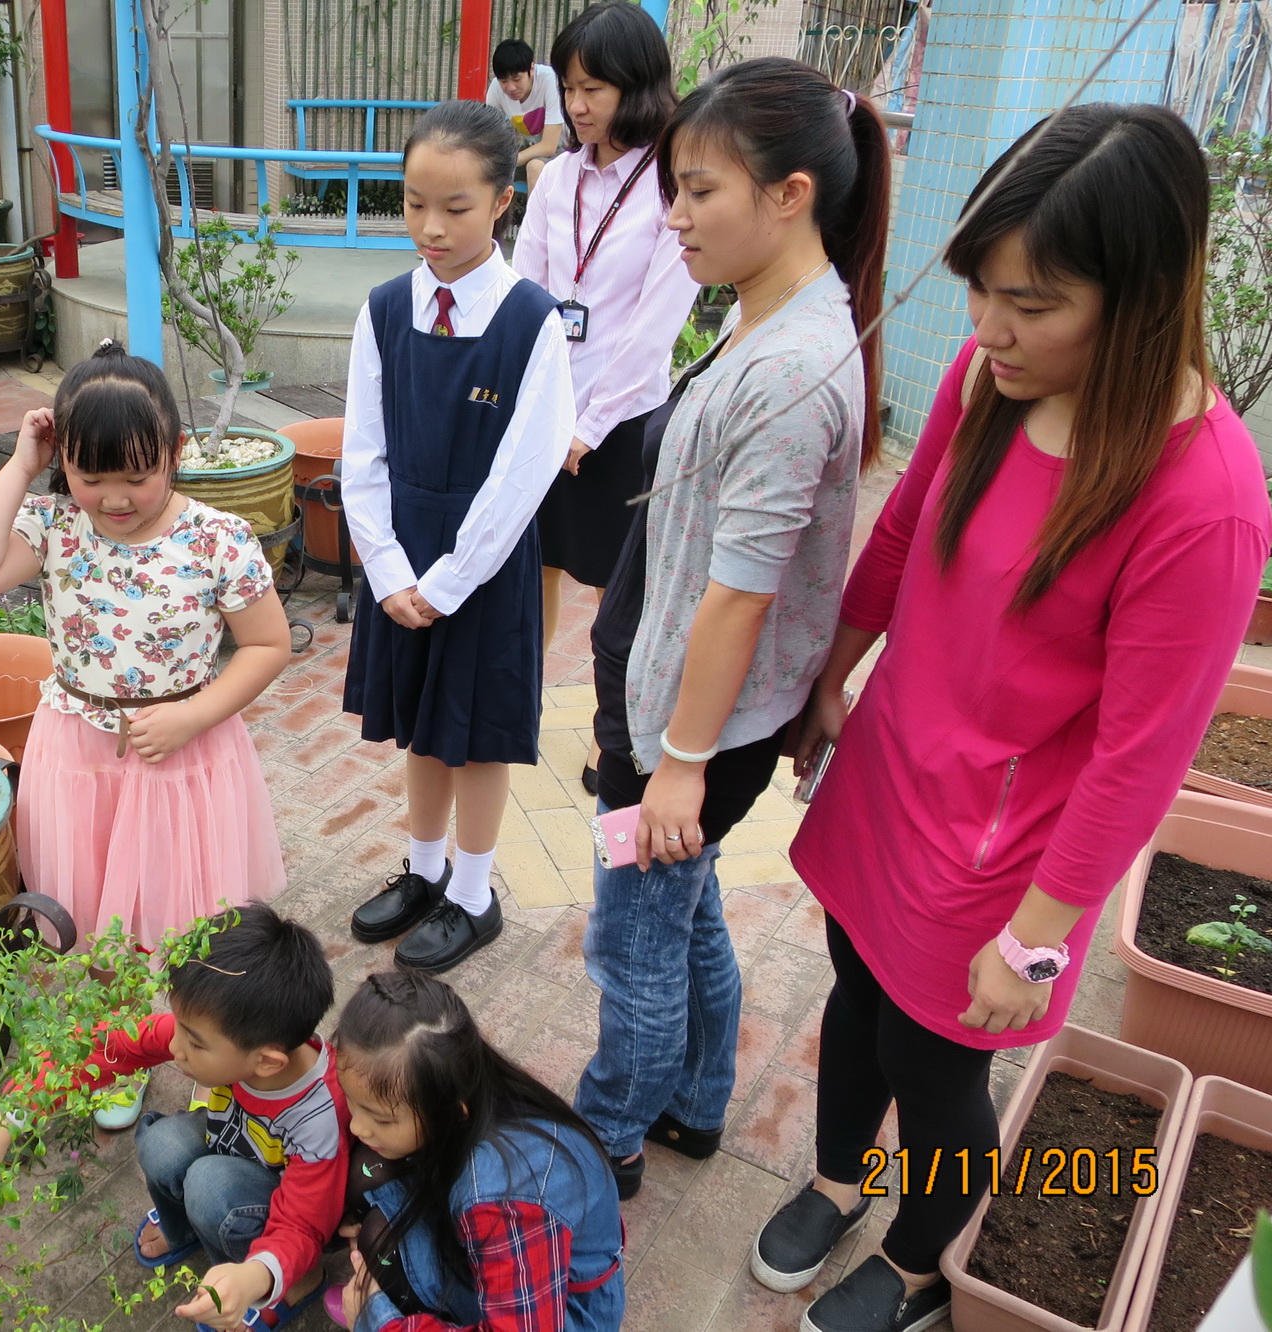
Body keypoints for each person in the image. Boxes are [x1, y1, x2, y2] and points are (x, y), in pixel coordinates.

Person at [752, 103, 1269, 1332]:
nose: (987, 329)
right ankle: (836, 1177)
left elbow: (1141, 757)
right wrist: (831, 679)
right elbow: (897, 534)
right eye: (980, 290)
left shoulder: (1202, 499)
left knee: (933, 1061)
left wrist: (1036, 937)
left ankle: (921, 1259)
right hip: (892, 769)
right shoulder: (990, 380)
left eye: (1029, 304)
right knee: (854, 990)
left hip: (999, 852)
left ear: (1139, 297)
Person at [573, 56, 891, 1206]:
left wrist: (677, 763)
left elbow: (741, 593)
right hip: (686, 709)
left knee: (632, 944)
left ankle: (605, 1134)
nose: (675, 216)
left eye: (699, 190)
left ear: (789, 194)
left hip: (690, 727)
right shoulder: (773, 321)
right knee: (683, 912)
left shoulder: (793, 368)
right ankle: (698, 1101)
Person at [0, 341, 291, 955]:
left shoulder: (217, 539)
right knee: (94, 917)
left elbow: (267, 644)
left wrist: (192, 717)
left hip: (181, 745)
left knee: (185, 919)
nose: (115, 499)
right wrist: (21, 466)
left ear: (175, 453)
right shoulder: (54, 525)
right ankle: (113, 1012)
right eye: (90, 478)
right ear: (63, 460)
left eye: (137, 478)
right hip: (76, 746)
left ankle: (185, 1007)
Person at [340, 100, 576, 974]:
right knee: (422, 725)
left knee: (474, 732)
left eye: (456, 207)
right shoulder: (383, 310)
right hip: (402, 556)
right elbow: (363, 450)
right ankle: (426, 869)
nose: (431, 228)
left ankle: (474, 895)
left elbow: (525, 471)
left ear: (503, 201)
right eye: (414, 205)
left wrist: (446, 582)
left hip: (482, 562)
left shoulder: (530, 320)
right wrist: (388, 568)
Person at [0, 904, 347, 1332]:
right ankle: (186, 1229)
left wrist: (257, 1275)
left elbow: (305, 1224)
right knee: (163, 1144)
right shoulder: (225, 1037)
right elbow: (102, 1047)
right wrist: (4, 1121)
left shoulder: (319, 1116)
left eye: (193, 1043)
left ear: (267, 1063)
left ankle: (296, 1282)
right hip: (235, 1149)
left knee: (210, 1186)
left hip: (294, 1206)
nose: (174, 1048)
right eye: (177, 1024)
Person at [509, 1, 694, 793]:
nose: (577, 105)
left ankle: (607, 733)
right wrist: (533, 405)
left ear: (637, 86)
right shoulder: (558, 177)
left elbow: (654, 329)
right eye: (571, 87)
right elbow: (527, 288)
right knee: (536, 567)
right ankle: (520, 706)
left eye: (595, 89)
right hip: (550, 411)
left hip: (623, 423)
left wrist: (587, 426)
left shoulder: (670, 185)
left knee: (619, 591)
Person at [330, 970, 625, 1332]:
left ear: (451, 1112)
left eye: (381, 1118)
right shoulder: (473, 1083)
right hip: (523, 1263)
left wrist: (378, 1320)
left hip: (564, 1313)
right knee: (364, 1166)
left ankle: (403, 1304)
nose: (358, 1126)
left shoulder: (504, 1197)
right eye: (353, 1101)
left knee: (379, 1238)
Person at [484, 38, 563, 191]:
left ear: (531, 69)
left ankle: (533, 209)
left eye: (516, 79)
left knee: (535, 167)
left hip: (567, 151)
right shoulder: (496, 89)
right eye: (503, 81)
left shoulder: (550, 80)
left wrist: (509, 161)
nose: (510, 87)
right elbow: (489, 135)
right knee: (485, 169)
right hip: (531, 149)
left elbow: (549, 146)